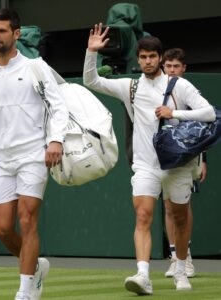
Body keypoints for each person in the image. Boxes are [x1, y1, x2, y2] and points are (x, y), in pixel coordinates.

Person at [83, 23, 216, 294]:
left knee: (179, 219)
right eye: (143, 57)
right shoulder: (129, 88)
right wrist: (91, 52)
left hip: (177, 165)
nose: (147, 61)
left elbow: (210, 114)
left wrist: (174, 114)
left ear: (159, 58)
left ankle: (180, 269)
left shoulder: (179, 85)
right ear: (138, 59)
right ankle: (143, 275)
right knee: (143, 215)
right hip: (145, 165)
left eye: (152, 57)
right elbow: (91, 81)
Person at [0, 8, 68, 300]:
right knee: (3, 229)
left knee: (27, 218)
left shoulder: (36, 67)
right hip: (3, 160)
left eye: (2, 31)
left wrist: (55, 140)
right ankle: (35, 266)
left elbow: (58, 107)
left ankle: (25, 290)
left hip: (34, 154)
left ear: (16, 34)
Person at [162, 47, 207, 278]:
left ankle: (186, 257)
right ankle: (174, 257)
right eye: (168, 67)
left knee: (183, 205)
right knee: (168, 206)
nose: (172, 71)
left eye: (176, 67)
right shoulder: (158, 90)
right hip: (164, 157)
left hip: (188, 157)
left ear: (184, 68)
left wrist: (203, 158)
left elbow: (203, 127)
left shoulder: (189, 92)